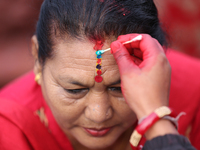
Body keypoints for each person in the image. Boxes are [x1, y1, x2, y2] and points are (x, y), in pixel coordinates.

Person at [0, 0, 198, 149]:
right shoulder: (10, 128)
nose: (99, 114)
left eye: (119, 88)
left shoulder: (195, 93)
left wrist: (155, 120)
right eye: (74, 90)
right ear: (37, 57)